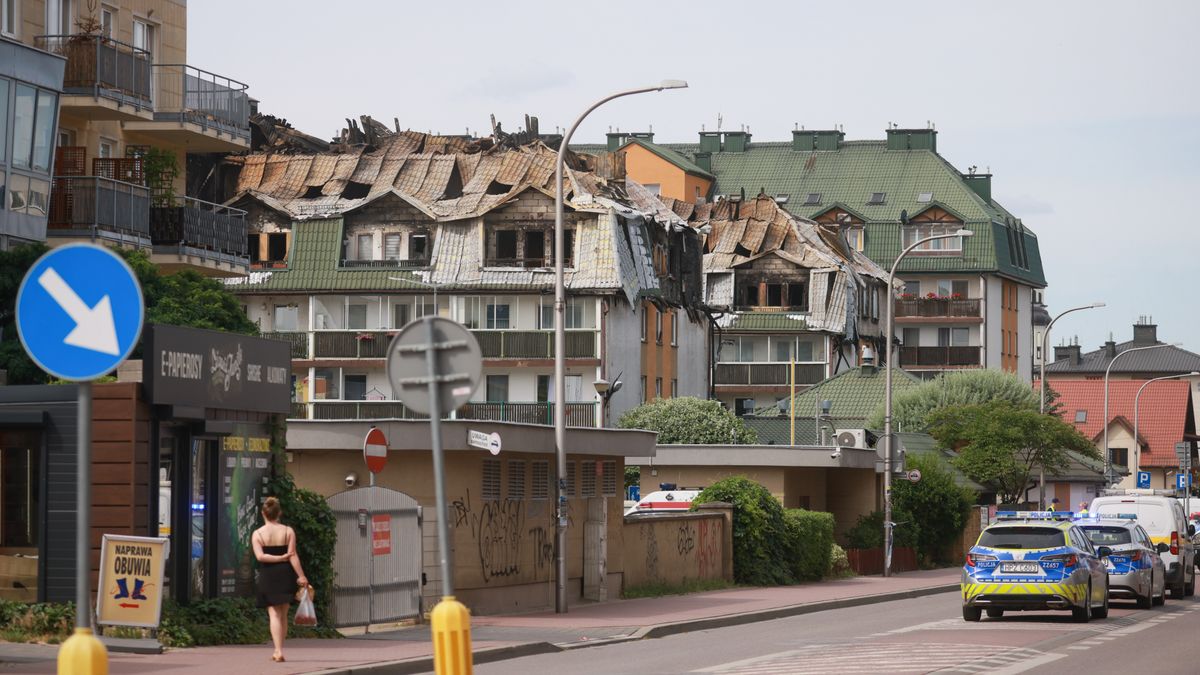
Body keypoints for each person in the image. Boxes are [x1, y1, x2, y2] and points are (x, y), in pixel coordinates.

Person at [252, 496, 308, 663]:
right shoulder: (288, 531)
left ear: (263, 513)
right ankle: (280, 648)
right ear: (279, 513)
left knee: (274, 615)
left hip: (268, 575)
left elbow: (260, 556)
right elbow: (293, 556)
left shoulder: (258, 534)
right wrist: (301, 576)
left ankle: (278, 650)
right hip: (286, 574)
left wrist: (278, 558)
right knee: (283, 614)